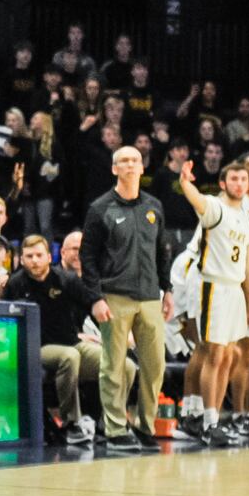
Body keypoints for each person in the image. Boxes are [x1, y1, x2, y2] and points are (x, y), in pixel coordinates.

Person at [80, 146, 173, 452]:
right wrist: (95, 297)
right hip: (115, 295)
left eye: (135, 160)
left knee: (155, 364)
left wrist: (168, 289)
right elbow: (88, 257)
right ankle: (116, 428)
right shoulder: (100, 208)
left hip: (149, 297)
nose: (130, 165)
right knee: (114, 366)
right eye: (124, 161)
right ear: (114, 169)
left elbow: (162, 251)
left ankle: (145, 426)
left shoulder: (154, 206)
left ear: (142, 168)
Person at [174, 158, 249, 446]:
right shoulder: (216, 207)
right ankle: (206, 420)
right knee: (212, 354)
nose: (240, 183)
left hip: (234, 289)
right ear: (223, 183)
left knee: (228, 355)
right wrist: (185, 182)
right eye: (234, 179)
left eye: (244, 179)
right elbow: (196, 199)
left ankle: (211, 418)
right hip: (211, 285)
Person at [1, 234, 111, 444]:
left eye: (39, 255)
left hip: (72, 342)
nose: (34, 260)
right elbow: (4, 323)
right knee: (69, 356)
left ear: (49, 257)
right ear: (22, 260)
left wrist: (113, 335)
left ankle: (112, 423)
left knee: (120, 363)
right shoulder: (15, 284)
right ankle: (71, 424)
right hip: (34, 348)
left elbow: (93, 304)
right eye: (29, 256)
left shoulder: (66, 280)